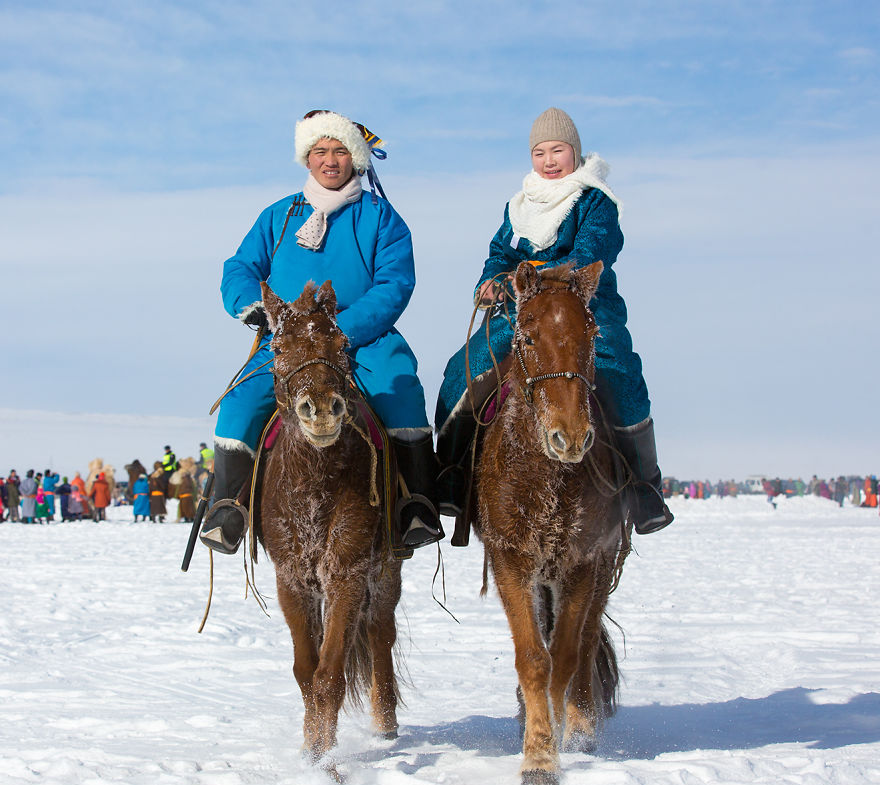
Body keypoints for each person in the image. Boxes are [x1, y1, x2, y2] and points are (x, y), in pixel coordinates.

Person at [200, 109, 443, 555]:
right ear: (306, 158)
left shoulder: (381, 217)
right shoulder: (278, 215)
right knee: (239, 402)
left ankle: (415, 504)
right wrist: (251, 305)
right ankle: (229, 507)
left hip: (362, 336)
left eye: (340, 151)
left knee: (402, 391)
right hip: (288, 340)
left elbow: (394, 283)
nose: (330, 160)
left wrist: (341, 328)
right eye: (320, 151)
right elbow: (240, 267)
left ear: (356, 158)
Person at [435, 107, 673, 535]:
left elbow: (589, 253)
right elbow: (500, 254)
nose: (548, 161)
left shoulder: (595, 201)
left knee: (621, 371)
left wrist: (534, 273)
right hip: (522, 312)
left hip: (585, 308)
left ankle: (644, 488)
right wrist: (491, 280)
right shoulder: (518, 206)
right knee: (464, 368)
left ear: (575, 152)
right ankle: (452, 475)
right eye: (539, 152)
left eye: (557, 150)